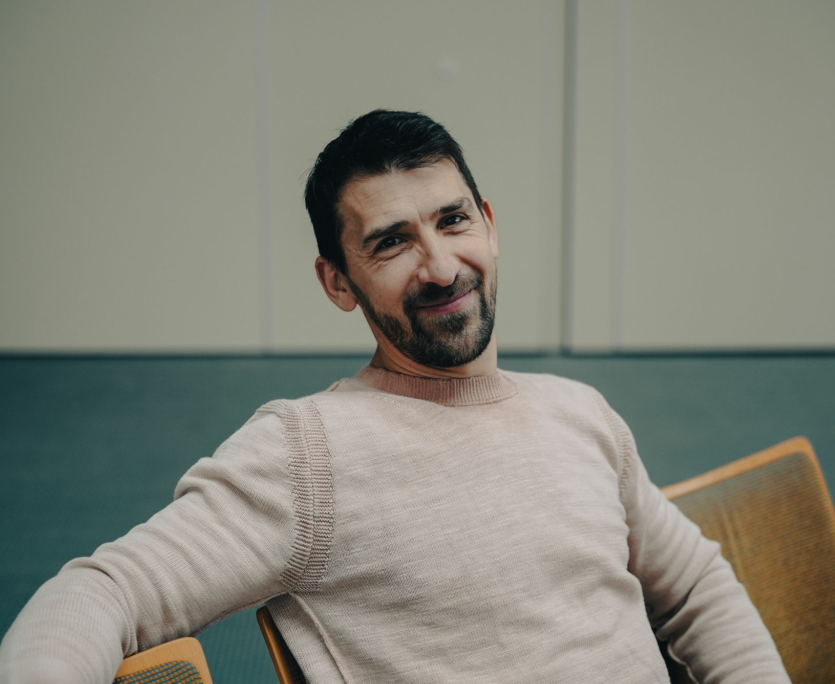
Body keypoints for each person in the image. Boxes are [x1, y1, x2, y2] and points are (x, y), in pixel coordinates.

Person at [0, 110, 789, 684]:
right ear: (337, 283)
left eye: (452, 221)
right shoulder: (307, 454)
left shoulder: (579, 412)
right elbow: (103, 592)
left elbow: (695, 588)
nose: (440, 266)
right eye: (390, 242)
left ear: (488, 226)